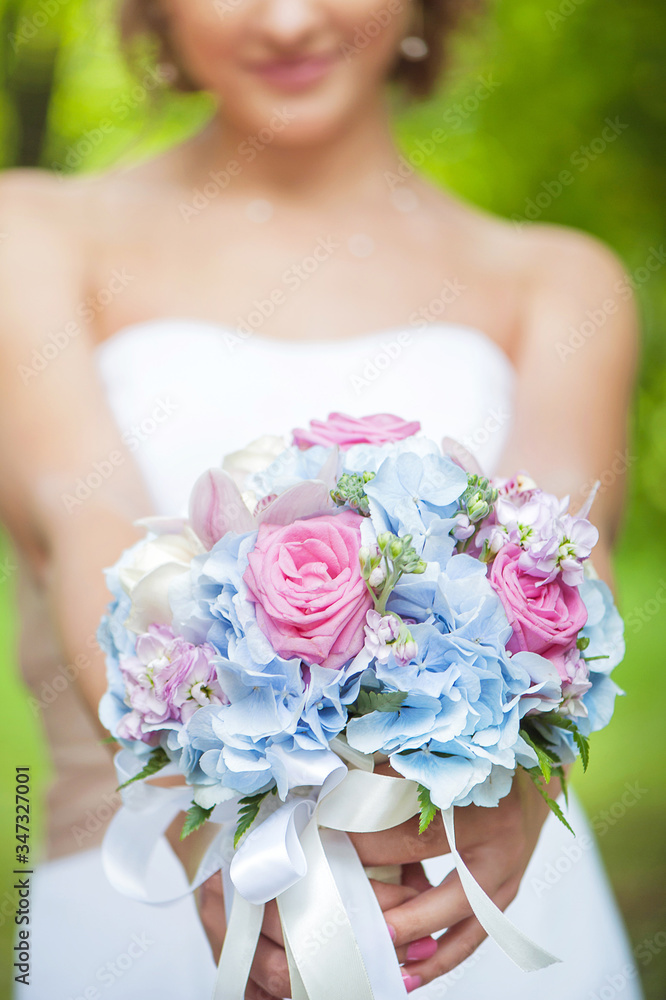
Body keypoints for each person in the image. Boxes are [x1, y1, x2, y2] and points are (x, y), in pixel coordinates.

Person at [0, 1, 642, 997]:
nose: (290, 20)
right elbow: (80, 523)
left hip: (472, 905)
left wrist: (526, 786)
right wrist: (204, 829)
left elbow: (561, 564)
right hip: (162, 906)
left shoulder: (559, 281)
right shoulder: (31, 235)